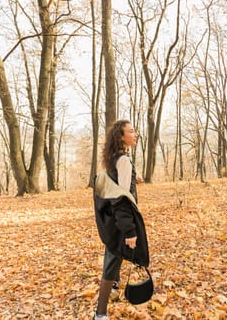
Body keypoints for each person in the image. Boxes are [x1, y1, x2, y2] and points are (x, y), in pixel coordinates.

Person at [92, 120, 149, 320]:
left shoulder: (113, 158)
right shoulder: (123, 160)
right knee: (112, 260)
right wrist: (129, 231)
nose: (135, 134)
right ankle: (100, 314)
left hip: (112, 220)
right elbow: (121, 199)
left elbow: (114, 181)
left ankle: (114, 288)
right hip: (120, 221)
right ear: (120, 137)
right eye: (131, 131)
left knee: (115, 257)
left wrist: (134, 176)